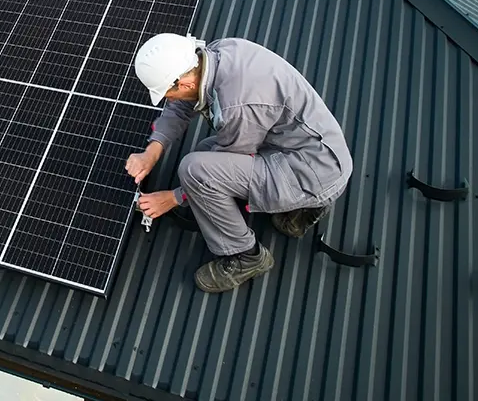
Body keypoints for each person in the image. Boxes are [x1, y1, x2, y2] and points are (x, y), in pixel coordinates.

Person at [126, 34, 353, 294]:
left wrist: (172, 198)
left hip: (314, 171)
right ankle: (302, 210)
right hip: (310, 148)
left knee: (195, 169)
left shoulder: (237, 105)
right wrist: (153, 151)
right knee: (204, 154)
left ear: (185, 83)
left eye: (167, 92)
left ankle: (247, 256)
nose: (168, 98)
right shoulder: (213, 55)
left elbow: (218, 171)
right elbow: (180, 106)